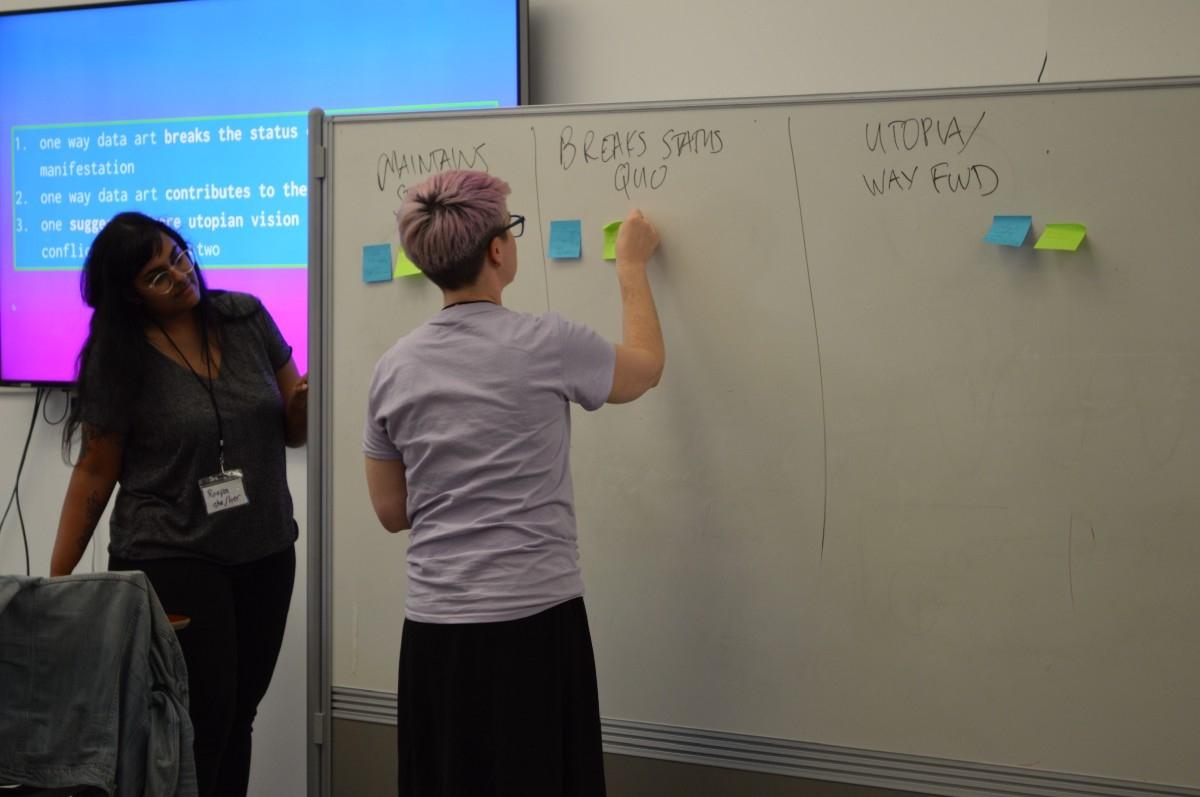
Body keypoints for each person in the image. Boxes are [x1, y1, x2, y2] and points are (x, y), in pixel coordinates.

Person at [363, 169, 665, 796]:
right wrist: (631, 266)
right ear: (498, 250)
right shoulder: (548, 342)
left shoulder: (393, 368)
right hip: (534, 624)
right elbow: (646, 370)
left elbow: (391, 511)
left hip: (435, 634)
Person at [49, 211, 307, 797]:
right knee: (200, 721)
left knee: (239, 715)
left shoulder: (245, 316)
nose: (180, 275)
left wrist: (305, 406)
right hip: (171, 553)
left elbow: (294, 432)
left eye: (179, 256)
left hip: (267, 548)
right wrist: (58, 583)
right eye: (157, 276)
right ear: (130, 295)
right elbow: (95, 472)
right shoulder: (120, 359)